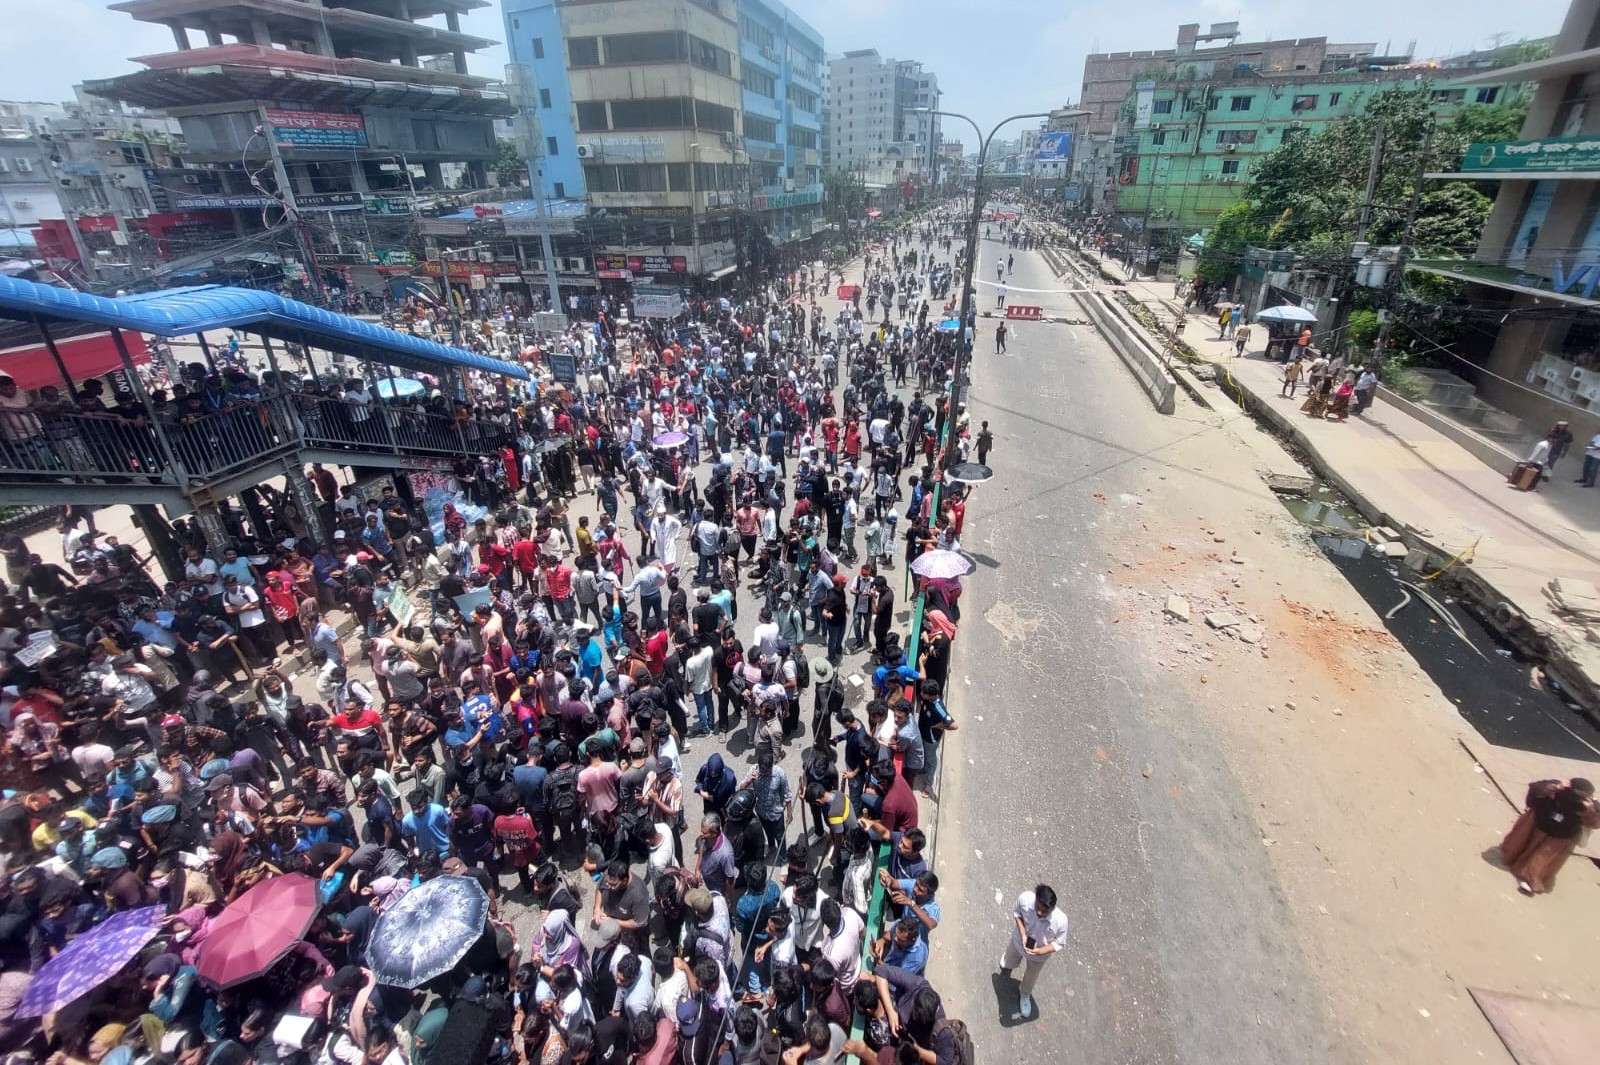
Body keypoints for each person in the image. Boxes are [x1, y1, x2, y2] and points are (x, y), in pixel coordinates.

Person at [1499, 777, 1600, 895]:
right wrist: (1552, 790)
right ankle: (1515, 859)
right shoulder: (1555, 788)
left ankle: (1530, 878)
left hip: (1561, 834)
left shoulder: (1590, 807)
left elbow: (1594, 823)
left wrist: (1589, 810)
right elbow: (1535, 789)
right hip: (1541, 822)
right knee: (1523, 843)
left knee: (1541, 857)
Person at [998, 883, 1069, 1019]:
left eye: (1044, 911)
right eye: (1038, 907)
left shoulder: (1061, 921)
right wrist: (1023, 933)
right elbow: (1017, 913)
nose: (1040, 913)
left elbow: (1059, 943)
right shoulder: (1025, 899)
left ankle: (1024, 994)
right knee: (1010, 957)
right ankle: (1008, 964)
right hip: (1019, 941)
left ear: (1053, 909)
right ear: (1035, 898)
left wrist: (1039, 951)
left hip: (1039, 956)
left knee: (1031, 975)